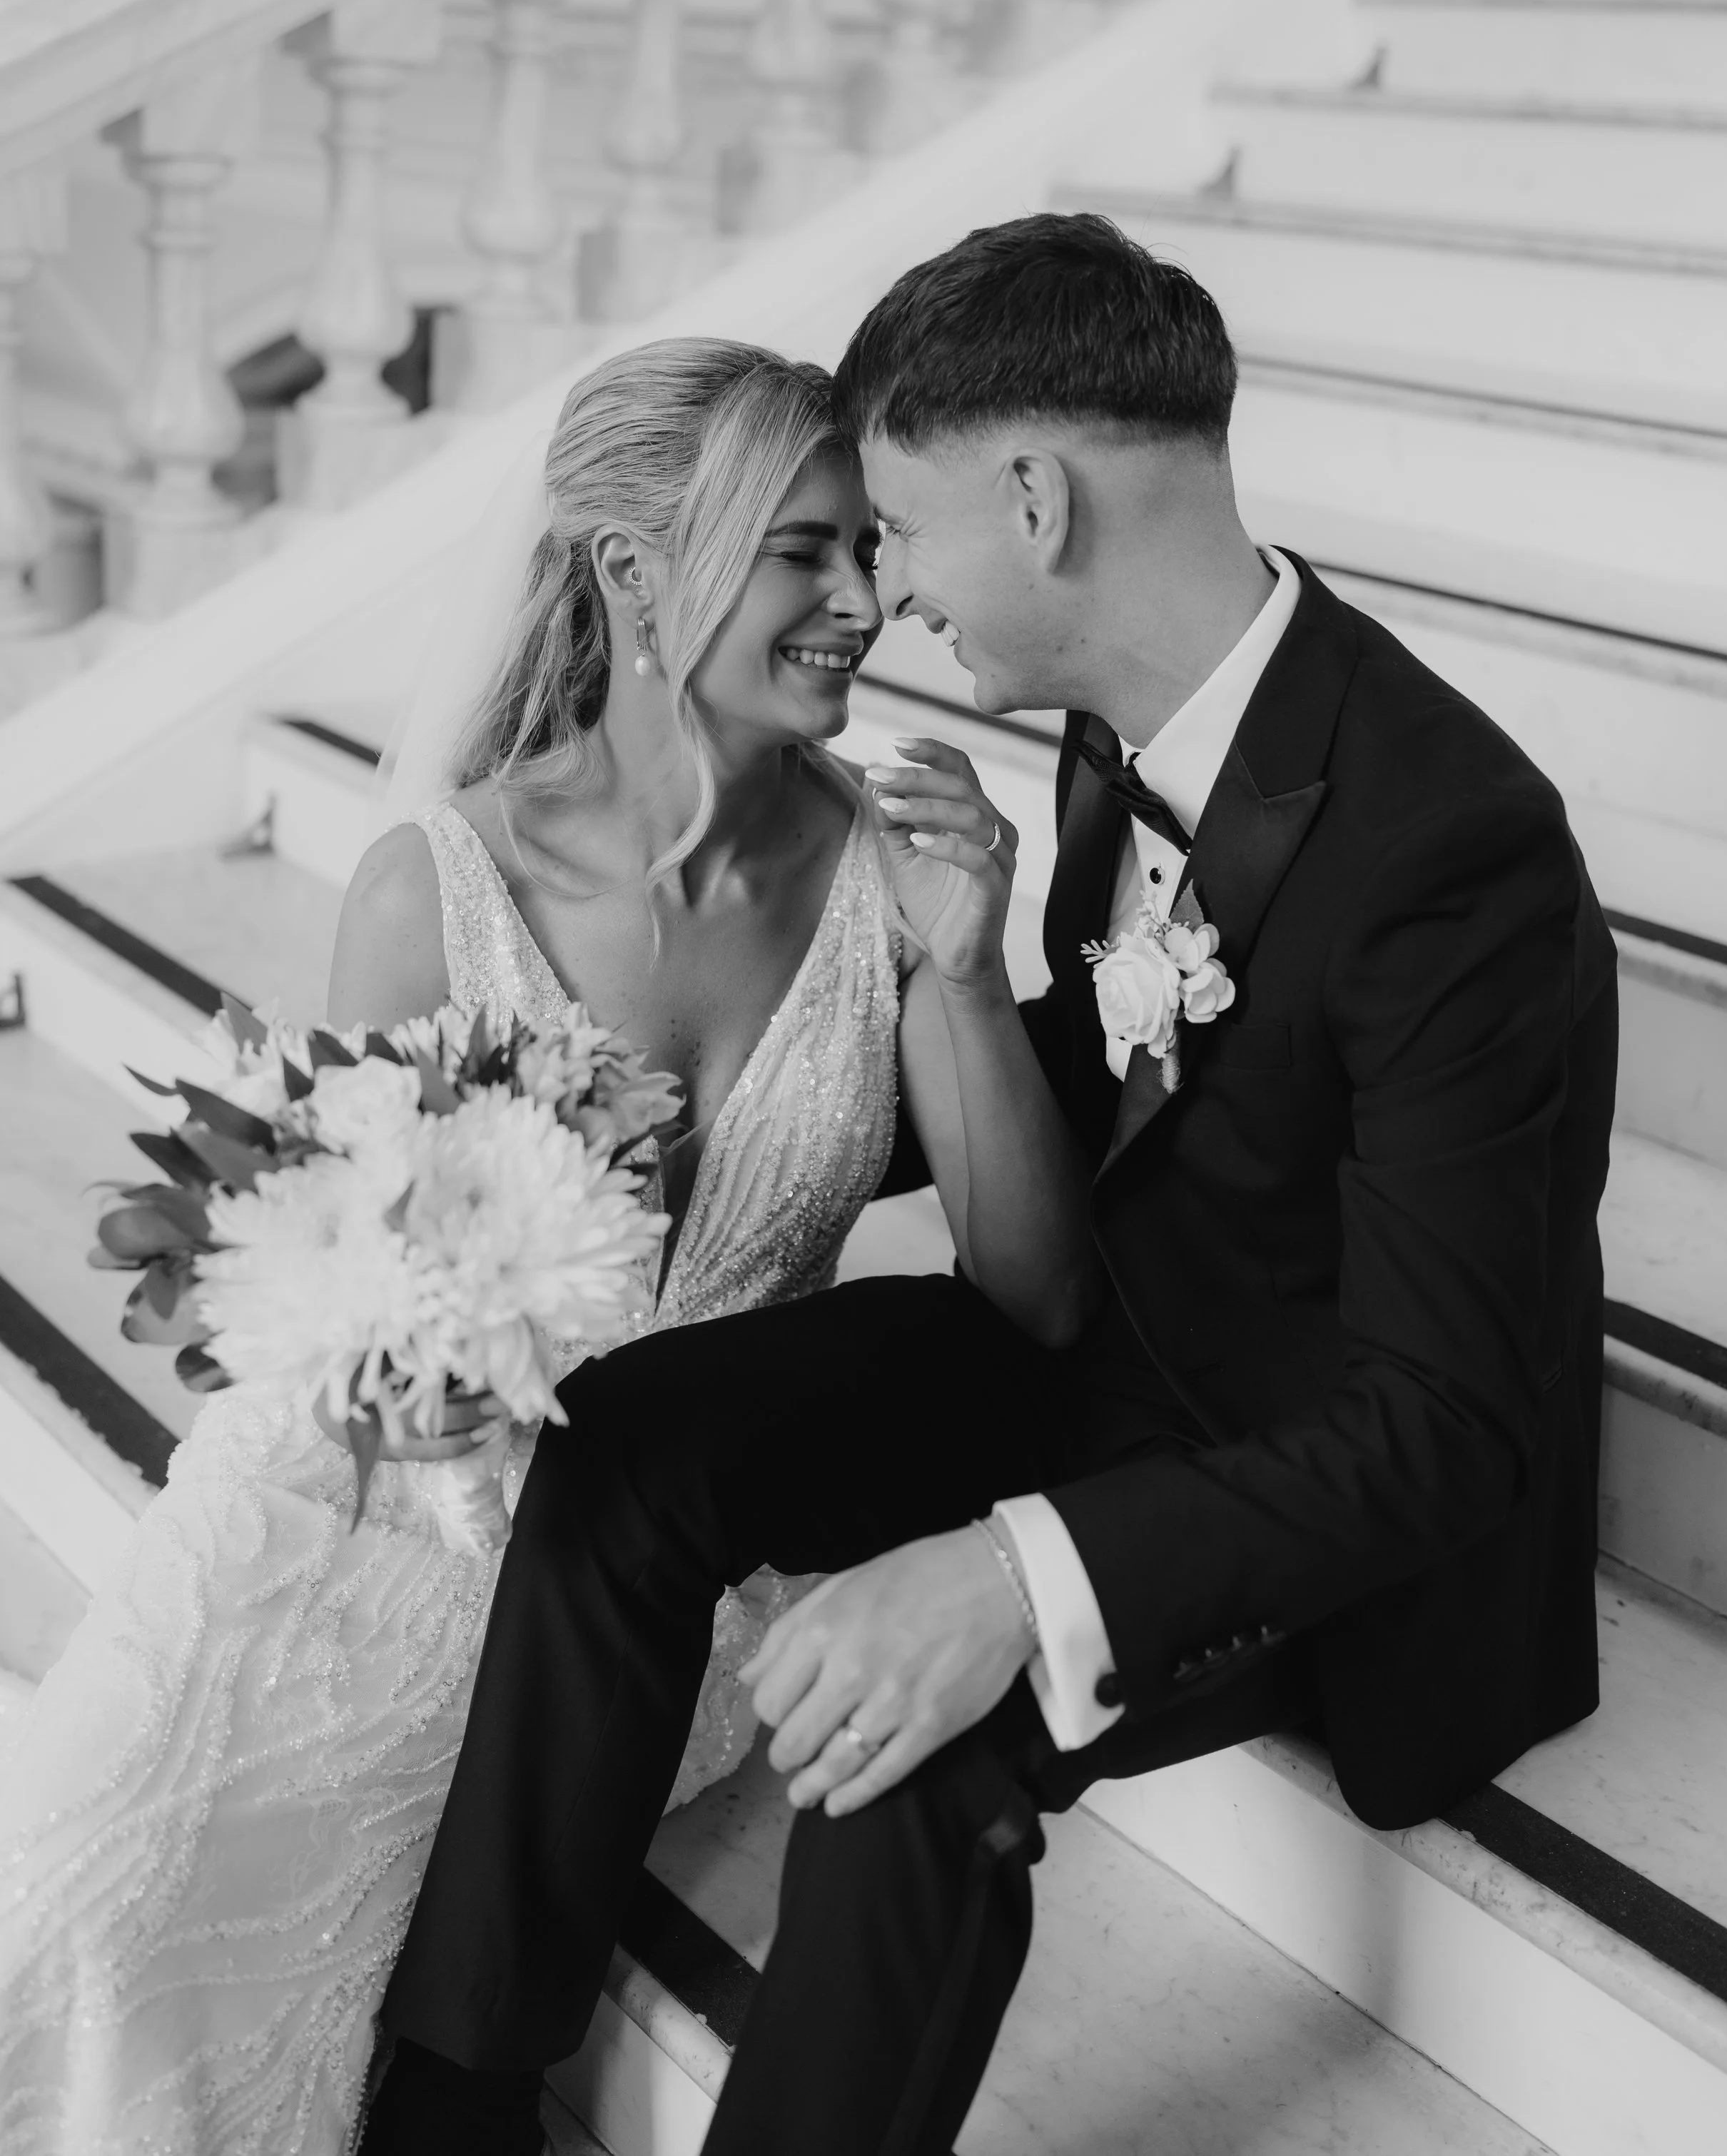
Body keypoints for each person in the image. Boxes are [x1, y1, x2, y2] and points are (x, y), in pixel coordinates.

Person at [365, 213, 1616, 2156]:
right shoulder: (1124, 732)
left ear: (1033, 499)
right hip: (1099, 1344)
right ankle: (453, 2087)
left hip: (1306, 1466)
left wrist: (1006, 1569)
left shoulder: (1457, 846)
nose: (886, 593)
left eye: (897, 527)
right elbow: (1124, 1092)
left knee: (909, 1735)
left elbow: (1444, 1427)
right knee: (629, 1443)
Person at [0, 338, 1085, 2156]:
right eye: (801, 553)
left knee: (267, 1879)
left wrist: (970, 962)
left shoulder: (891, 875)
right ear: (635, 572)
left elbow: (1035, 1295)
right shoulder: (439, 885)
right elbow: (332, 1326)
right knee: (83, 1880)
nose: (860, 603)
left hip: (664, 1591)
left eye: (864, 553)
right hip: (375, 1505)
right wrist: (399, 1369)